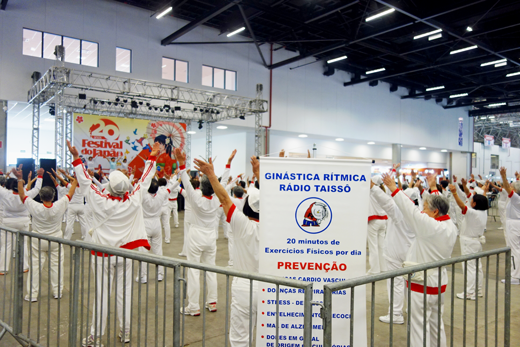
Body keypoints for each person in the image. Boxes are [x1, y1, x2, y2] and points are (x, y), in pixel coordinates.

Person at [67, 140, 158, 346]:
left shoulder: (100, 200)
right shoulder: (133, 200)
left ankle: (95, 337)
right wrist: (152, 157)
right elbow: (145, 180)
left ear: (109, 185)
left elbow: (84, 181)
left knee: (101, 295)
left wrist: (76, 157)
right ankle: (125, 332)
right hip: (125, 255)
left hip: (102, 256)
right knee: (124, 294)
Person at [382, 172, 457, 347]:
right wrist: (432, 187)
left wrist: (393, 188)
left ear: (435, 212)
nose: (422, 211)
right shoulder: (450, 225)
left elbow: (410, 210)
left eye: (425, 208)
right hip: (439, 282)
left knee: (417, 325)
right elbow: (439, 205)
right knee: (436, 324)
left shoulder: (430, 226)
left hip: (422, 283)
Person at [194, 153, 260, 347]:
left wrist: (211, 174)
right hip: (271, 287)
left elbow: (223, 198)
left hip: (244, 287)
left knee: (239, 340)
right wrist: (260, 175)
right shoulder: (275, 230)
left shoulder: (241, 224)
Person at [174, 148, 234, 316]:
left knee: (193, 271)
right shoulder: (217, 199)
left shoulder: (195, 198)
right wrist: (227, 163)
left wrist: (180, 163)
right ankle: (212, 302)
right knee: (211, 269)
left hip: (196, 236)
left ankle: (193, 306)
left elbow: (185, 181)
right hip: (210, 237)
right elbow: (221, 183)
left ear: (200, 186)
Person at [16, 173, 77, 301]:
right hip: (55, 240)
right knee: (57, 266)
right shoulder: (60, 205)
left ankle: (32, 295)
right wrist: (75, 178)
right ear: (54, 196)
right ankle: (57, 291)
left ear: (40, 196)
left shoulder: (35, 206)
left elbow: (22, 195)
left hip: (38, 240)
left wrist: (19, 179)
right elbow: (71, 192)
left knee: (35, 267)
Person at [370, 177, 416, 325]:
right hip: (411, 251)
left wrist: (372, 187)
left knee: (396, 282)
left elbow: (386, 202)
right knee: (411, 282)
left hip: (396, 252)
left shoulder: (399, 211)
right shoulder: (417, 211)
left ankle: (396, 313)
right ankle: (412, 308)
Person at [448, 181, 488, 299]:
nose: (470, 200)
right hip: (476, 241)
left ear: (475, 204)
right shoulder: (483, 212)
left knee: (469, 268)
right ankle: (478, 289)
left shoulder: (472, 213)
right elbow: (470, 195)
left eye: (472, 200)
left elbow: (462, 206)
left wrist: (454, 193)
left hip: (468, 242)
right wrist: (465, 186)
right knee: (477, 267)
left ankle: (470, 292)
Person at [0, 167, 43, 275]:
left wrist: (8, 175)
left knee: (6, 245)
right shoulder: (26, 194)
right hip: (23, 221)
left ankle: (3, 268)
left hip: (8, 222)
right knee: (24, 244)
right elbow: (37, 188)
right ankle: (24, 266)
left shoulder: (5, 193)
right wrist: (40, 176)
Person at [138, 177, 176, 283]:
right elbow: (171, 188)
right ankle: (160, 274)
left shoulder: (143, 196)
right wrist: (178, 180)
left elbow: (134, 187)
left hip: (145, 224)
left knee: (143, 252)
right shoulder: (161, 195)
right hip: (156, 224)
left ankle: (143, 276)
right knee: (158, 250)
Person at [54, 169, 90, 240]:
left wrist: (57, 175)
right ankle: (85, 237)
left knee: (69, 223)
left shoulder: (71, 187)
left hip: (72, 206)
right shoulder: (83, 187)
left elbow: (63, 181)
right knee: (83, 223)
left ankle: (67, 238)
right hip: (81, 205)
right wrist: (66, 174)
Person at [498, 167, 520, 285]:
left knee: (514, 250)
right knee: (518, 249)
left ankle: (515, 276)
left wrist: (504, 176)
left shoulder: (516, 199)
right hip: (517, 223)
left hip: (514, 224)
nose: (510, 188)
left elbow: (507, 188)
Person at [367, 175, 388, 275]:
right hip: (383, 221)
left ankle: (374, 270)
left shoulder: (372, 193)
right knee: (381, 245)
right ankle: (383, 268)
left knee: (373, 246)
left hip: (373, 221)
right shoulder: (383, 192)